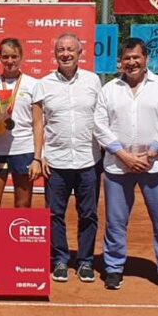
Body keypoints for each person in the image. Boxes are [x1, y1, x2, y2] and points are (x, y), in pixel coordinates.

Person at [93, 38, 158, 293]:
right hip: (117, 166)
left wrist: (151, 154)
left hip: (154, 167)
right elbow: (100, 125)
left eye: (136, 58)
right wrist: (123, 155)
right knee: (115, 222)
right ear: (120, 62)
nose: (131, 62)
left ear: (146, 60)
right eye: (126, 58)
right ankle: (113, 268)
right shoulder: (109, 89)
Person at [29, 33, 102, 284]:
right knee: (54, 214)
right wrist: (39, 156)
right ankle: (60, 259)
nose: (66, 54)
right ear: (55, 54)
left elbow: (102, 119)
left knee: (89, 214)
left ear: (80, 52)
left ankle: (85, 261)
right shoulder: (43, 84)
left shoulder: (94, 81)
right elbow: (38, 124)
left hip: (88, 160)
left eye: (71, 49)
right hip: (56, 162)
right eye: (61, 49)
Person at [0, 38, 38, 208]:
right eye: (5, 57)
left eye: (14, 56)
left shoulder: (33, 85)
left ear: (21, 57)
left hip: (24, 150)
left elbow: (38, 122)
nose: (10, 61)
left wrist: (38, 157)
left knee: (22, 206)